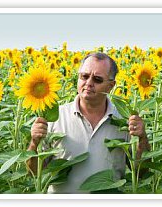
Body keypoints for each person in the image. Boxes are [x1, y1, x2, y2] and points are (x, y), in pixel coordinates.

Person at [27, 52, 150, 193]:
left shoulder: (124, 120)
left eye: (97, 79)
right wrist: (34, 142)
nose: (88, 83)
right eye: (84, 76)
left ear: (111, 86)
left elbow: (142, 173)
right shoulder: (55, 118)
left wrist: (142, 138)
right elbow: (33, 173)